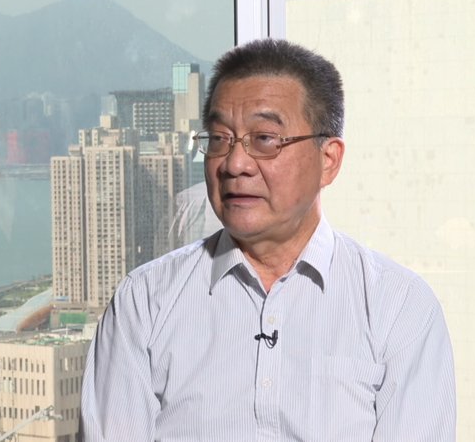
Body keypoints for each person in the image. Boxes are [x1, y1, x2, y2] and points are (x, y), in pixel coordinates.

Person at [80, 39, 455, 441]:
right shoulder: (145, 301)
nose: (235, 164)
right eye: (219, 139)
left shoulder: (398, 306)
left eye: (264, 139)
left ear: (328, 160)